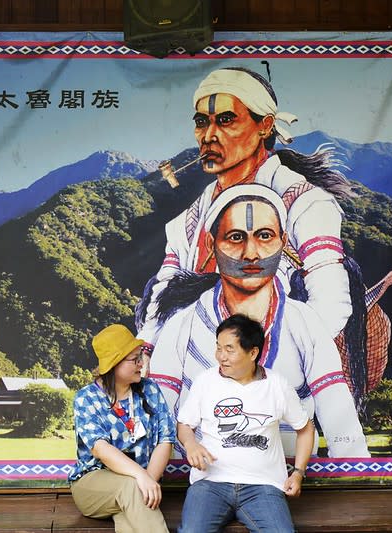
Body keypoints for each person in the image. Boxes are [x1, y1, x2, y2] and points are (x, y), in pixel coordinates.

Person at [135, 67, 392, 408]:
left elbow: (329, 305)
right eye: (202, 122)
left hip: (275, 379)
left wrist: (265, 370)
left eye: (226, 120)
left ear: (265, 125)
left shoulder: (305, 202)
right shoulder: (187, 222)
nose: (209, 135)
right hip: (196, 382)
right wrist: (144, 353)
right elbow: (162, 301)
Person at [149, 184, 369, 458]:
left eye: (265, 236)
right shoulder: (182, 326)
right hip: (206, 471)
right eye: (235, 237)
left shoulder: (303, 323)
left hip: (281, 471)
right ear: (210, 243)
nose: (251, 253)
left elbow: (337, 411)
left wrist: (354, 477)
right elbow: (159, 413)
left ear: (283, 241)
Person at [177, 314, 314, 533]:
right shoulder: (206, 380)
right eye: (218, 348)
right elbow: (184, 424)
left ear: (253, 353)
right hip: (210, 484)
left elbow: (305, 429)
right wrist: (191, 445)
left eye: (230, 350)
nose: (221, 357)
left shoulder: (276, 384)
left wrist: (298, 473)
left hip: (263, 487)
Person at [69, 324, 176, 533]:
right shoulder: (87, 397)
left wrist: (149, 483)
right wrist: (141, 478)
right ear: (114, 364)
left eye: (141, 356)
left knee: (131, 512)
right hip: (93, 483)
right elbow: (100, 448)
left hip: (140, 485)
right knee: (131, 487)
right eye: (134, 359)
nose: (141, 364)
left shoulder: (149, 389)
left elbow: (166, 439)